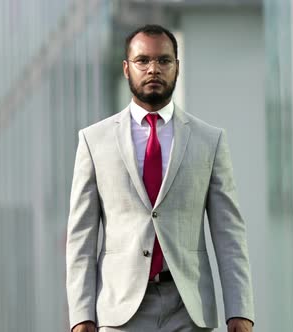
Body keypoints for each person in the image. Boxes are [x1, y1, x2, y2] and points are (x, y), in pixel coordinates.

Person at [65, 24, 254, 332]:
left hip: (188, 307)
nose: (153, 69)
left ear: (177, 67)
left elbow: (229, 233)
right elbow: (81, 239)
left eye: (164, 61)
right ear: (127, 68)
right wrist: (81, 316)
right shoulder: (93, 141)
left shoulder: (210, 140)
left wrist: (240, 309)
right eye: (143, 61)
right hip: (120, 310)